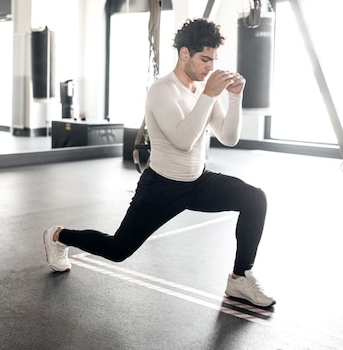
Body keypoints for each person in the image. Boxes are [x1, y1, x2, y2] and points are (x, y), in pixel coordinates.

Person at [43, 18, 275, 307]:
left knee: (255, 199)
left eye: (214, 60)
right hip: (162, 186)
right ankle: (59, 236)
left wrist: (235, 97)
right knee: (118, 249)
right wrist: (210, 94)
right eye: (205, 59)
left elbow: (229, 138)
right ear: (184, 53)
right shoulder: (162, 91)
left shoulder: (202, 91)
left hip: (198, 181)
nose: (210, 67)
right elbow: (183, 140)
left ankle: (240, 279)